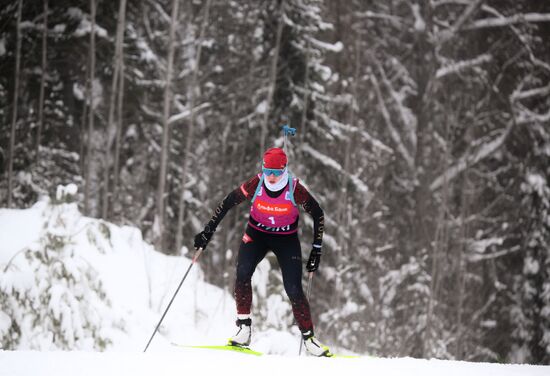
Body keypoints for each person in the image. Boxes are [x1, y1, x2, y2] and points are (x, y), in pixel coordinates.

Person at [193, 147, 330, 356]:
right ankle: (244, 329)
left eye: (277, 172)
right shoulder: (256, 183)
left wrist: (316, 250)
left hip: (286, 239)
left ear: (284, 170)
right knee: (242, 272)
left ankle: (310, 338)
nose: (272, 177)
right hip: (256, 235)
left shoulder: (294, 188)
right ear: (263, 169)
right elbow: (228, 202)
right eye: (268, 172)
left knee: (293, 288)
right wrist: (208, 231)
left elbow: (318, 213)